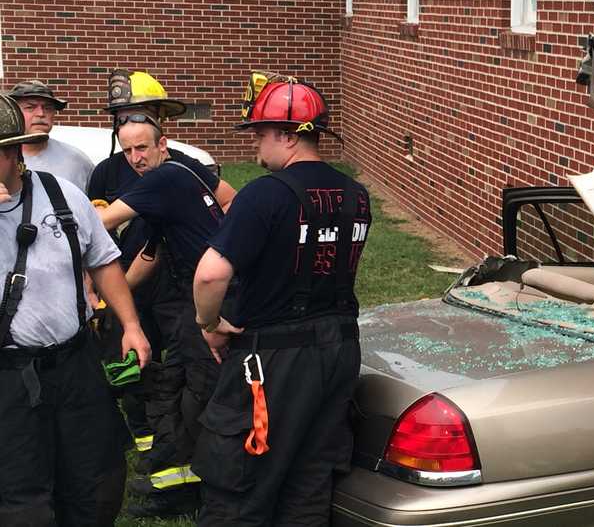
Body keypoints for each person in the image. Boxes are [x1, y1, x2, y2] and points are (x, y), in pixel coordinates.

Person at [193, 75, 371, 526]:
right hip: (339, 352)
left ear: (289, 136)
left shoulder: (265, 194)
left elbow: (211, 273)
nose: (256, 145)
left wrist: (208, 323)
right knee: (309, 480)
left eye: (261, 133)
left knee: (241, 482)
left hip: (273, 359)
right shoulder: (357, 195)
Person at [0, 93, 151, 526]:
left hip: (74, 364)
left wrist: (131, 324)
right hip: (8, 378)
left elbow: (101, 260)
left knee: (94, 478)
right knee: (20, 492)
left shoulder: (60, 194)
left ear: (12, 152)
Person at [86, 70, 234, 505]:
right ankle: (175, 472)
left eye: (143, 148)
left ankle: (197, 485)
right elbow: (148, 255)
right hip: (201, 296)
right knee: (180, 381)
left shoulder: (164, 179)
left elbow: (100, 222)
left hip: (211, 299)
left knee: (201, 388)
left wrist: (44, 212)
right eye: (128, 149)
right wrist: (114, 303)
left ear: (163, 145)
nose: (135, 158)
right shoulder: (168, 182)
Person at [9, 80, 94, 191]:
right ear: (12, 113)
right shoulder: (4, 159)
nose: (41, 114)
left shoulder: (77, 161)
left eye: (48, 108)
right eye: (30, 107)